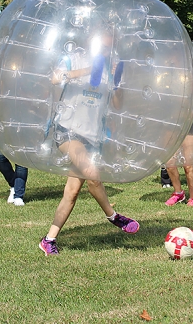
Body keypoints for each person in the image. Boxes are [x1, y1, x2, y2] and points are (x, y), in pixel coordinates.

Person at [39, 30, 139, 256]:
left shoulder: (111, 68)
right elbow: (55, 78)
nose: (108, 48)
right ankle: (113, 216)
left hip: (93, 136)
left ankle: (49, 239)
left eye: (110, 45)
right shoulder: (74, 57)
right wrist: (89, 69)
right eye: (104, 43)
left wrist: (116, 81)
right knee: (92, 173)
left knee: (72, 192)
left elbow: (117, 104)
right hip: (67, 131)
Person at [164, 122, 193, 206]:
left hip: (190, 127)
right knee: (170, 163)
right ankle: (178, 193)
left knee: (188, 165)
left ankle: (192, 198)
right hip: (171, 125)